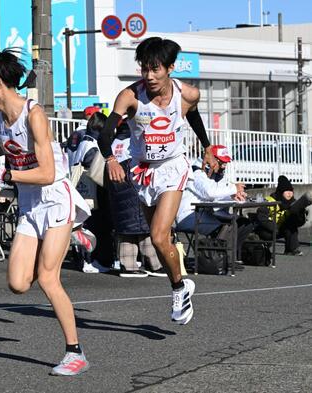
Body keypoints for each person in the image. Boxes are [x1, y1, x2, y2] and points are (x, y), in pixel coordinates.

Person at [0, 48, 91, 376]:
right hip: (29, 204)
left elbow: (48, 173)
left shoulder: (33, 115)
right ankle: (76, 234)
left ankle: (74, 353)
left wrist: (5, 175)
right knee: (18, 284)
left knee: (49, 279)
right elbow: (7, 146)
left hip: (54, 199)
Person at [97, 37, 219, 325]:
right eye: (144, 69)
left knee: (158, 236)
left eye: (155, 69)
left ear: (170, 68)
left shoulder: (188, 94)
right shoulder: (130, 97)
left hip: (173, 167)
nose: (149, 76)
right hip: (143, 170)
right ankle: (181, 282)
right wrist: (111, 159)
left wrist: (207, 146)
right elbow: (105, 134)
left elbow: (194, 117)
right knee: (161, 238)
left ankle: (178, 289)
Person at [108, 120, 166, 278]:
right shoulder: (132, 142)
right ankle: (154, 264)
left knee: (126, 230)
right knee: (145, 227)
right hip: (133, 188)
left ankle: (128, 266)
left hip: (117, 190)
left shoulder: (114, 142)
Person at [175, 145, 252, 261]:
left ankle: (223, 258)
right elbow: (210, 192)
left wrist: (232, 196)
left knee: (243, 223)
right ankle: (214, 259)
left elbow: (216, 194)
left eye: (225, 163)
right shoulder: (197, 172)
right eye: (222, 162)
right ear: (212, 159)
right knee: (227, 226)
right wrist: (233, 188)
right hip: (186, 216)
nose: (224, 166)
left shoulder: (213, 172)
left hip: (201, 213)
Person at [71, 111, 110, 273]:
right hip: (91, 191)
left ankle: (85, 259)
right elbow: (93, 166)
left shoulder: (82, 141)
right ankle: (90, 260)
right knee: (93, 227)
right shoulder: (92, 144)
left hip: (81, 189)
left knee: (84, 226)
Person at [255, 175, 312, 256]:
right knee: (265, 233)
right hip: (267, 230)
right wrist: (274, 227)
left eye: (291, 191)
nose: (289, 193)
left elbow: (299, 223)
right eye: (286, 191)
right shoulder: (269, 201)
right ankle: (262, 248)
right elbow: (261, 218)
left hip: (280, 228)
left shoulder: (294, 203)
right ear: (281, 192)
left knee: (291, 226)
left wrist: (301, 213)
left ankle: (291, 249)